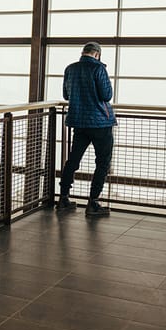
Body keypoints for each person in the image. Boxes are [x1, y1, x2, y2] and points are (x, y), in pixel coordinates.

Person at [59, 42, 116, 217]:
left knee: (73, 160)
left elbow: (66, 95)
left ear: (83, 53)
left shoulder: (70, 68)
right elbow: (106, 95)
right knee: (102, 162)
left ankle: (63, 198)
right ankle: (93, 203)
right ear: (97, 54)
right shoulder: (99, 69)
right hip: (100, 124)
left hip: (79, 122)